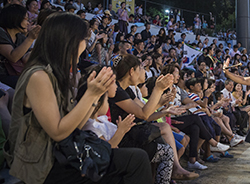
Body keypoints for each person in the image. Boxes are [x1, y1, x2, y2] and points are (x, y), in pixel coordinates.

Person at [4, 13, 153, 184]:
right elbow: (58, 132)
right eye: (85, 39)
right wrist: (90, 94)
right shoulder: (39, 76)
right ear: (69, 41)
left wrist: (95, 95)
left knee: (133, 159)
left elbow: (77, 125)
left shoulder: (54, 74)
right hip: (42, 163)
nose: (86, 45)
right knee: (135, 160)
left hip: (59, 153)